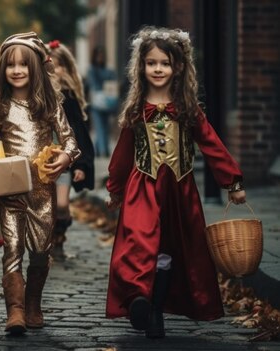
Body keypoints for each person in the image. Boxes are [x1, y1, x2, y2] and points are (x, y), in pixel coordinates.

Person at [104, 26, 247, 339]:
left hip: (179, 192)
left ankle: (154, 309)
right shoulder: (135, 111)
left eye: (165, 63)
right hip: (141, 189)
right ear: (141, 67)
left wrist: (232, 182)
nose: (158, 69)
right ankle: (137, 298)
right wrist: (115, 188)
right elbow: (123, 154)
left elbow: (212, 145)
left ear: (178, 67)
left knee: (168, 252)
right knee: (138, 243)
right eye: (152, 62)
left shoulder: (187, 109)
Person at [0, 32, 81, 334]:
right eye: (10, 66)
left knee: (40, 251)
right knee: (12, 249)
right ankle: (16, 311)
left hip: (42, 193)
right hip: (11, 192)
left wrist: (66, 158)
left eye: (23, 64)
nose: (17, 70)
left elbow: (70, 139)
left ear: (35, 67)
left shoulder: (48, 105)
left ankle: (33, 303)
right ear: (3, 71)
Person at [47, 40, 95, 261]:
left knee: (62, 205)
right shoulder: (36, 96)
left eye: (57, 66)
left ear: (66, 68)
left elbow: (80, 134)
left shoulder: (69, 98)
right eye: (48, 65)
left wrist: (81, 164)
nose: (53, 71)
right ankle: (46, 246)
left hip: (63, 161)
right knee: (44, 208)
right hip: (38, 160)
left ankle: (59, 237)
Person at [87, 46, 117, 157]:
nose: (100, 58)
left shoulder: (109, 69)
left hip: (108, 102)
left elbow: (113, 84)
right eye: (98, 55)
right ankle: (104, 151)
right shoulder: (91, 69)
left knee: (106, 127)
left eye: (101, 55)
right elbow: (93, 85)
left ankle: (100, 149)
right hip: (96, 103)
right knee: (99, 127)